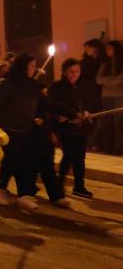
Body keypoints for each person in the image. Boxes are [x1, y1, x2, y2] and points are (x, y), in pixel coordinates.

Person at [0, 53, 75, 209]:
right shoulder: (6, 83)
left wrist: (73, 113)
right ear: (23, 67)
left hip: (25, 130)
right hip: (7, 131)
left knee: (24, 163)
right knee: (10, 162)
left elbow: (49, 104)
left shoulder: (32, 87)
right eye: (32, 66)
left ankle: (23, 195)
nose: (34, 69)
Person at [49, 58, 95, 198]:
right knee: (69, 155)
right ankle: (59, 184)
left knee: (80, 157)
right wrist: (67, 117)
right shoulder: (57, 87)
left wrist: (87, 112)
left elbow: (89, 103)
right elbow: (54, 106)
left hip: (82, 127)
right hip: (66, 128)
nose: (75, 74)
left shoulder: (84, 85)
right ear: (64, 72)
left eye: (77, 71)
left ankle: (79, 186)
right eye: (71, 71)